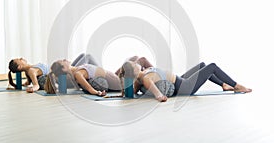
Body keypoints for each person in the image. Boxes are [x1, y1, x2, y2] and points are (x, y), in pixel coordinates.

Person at [119, 61, 252, 102]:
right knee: (212, 67)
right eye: (133, 63)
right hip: (184, 87)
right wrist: (160, 97)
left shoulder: (144, 72)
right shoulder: (145, 78)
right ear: (134, 71)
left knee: (202, 65)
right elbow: (156, 92)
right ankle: (237, 86)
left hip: (180, 79)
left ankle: (224, 85)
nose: (136, 62)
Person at [49, 58, 123, 96]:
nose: (65, 59)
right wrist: (98, 93)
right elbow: (90, 89)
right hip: (116, 82)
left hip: (115, 77)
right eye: (63, 61)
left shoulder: (76, 71)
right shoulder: (78, 74)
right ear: (63, 68)